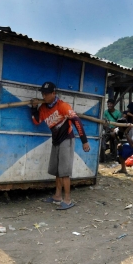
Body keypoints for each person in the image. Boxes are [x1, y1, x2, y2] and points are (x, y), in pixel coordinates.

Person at [31, 81, 90, 210]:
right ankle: (57, 196)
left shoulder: (63, 106)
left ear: (53, 93)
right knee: (57, 170)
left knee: (64, 172)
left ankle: (68, 200)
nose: (44, 96)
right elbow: (36, 121)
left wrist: (84, 141)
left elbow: (77, 122)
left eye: (46, 93)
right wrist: (34, 107)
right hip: (56, 140)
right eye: (43, 93)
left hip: (66, 140)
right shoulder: (43, 108)